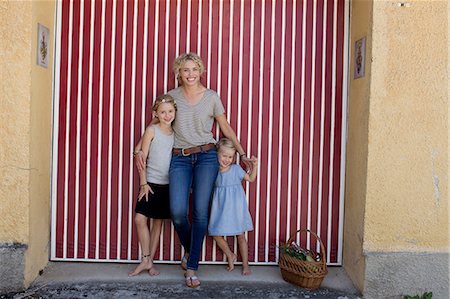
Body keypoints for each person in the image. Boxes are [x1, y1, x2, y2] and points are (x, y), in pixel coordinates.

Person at [135, 53, 252, 288]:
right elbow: (159, 119)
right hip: (179, 158)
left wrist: (242, 152)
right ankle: (192, 250)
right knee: (177, 211)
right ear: (178, 72)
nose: (190, 74)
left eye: (194, 69)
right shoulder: (173, 96)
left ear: (201, 71)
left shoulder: (211, 97)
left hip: (207, 157)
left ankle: (192, 267)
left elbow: (225, 127)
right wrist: (140, 144)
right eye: (185, 70)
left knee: (199, 213)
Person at [129, 94, 177, 277]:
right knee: (140, 219)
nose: (167, 115)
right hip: (150, 184)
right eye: (163, 112)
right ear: (155, 113)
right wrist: (143, 183)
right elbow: (141, 157)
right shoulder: (152, 130)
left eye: (170, 111)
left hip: (169, 185)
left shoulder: (176, 133)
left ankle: (149, 261)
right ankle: (146, 258)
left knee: (158, 223)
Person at [208, 138, 258, 276]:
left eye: (230, 157)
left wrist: (255, 166)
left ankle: (246, 265)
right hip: (220, 208)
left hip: (236, 208)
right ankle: (230, 254)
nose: (227, 159)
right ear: (217, 154)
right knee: (215, 233)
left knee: (240, 235)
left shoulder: (236, 169)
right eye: (224, 156)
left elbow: (251, 179)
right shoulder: (213, 171)